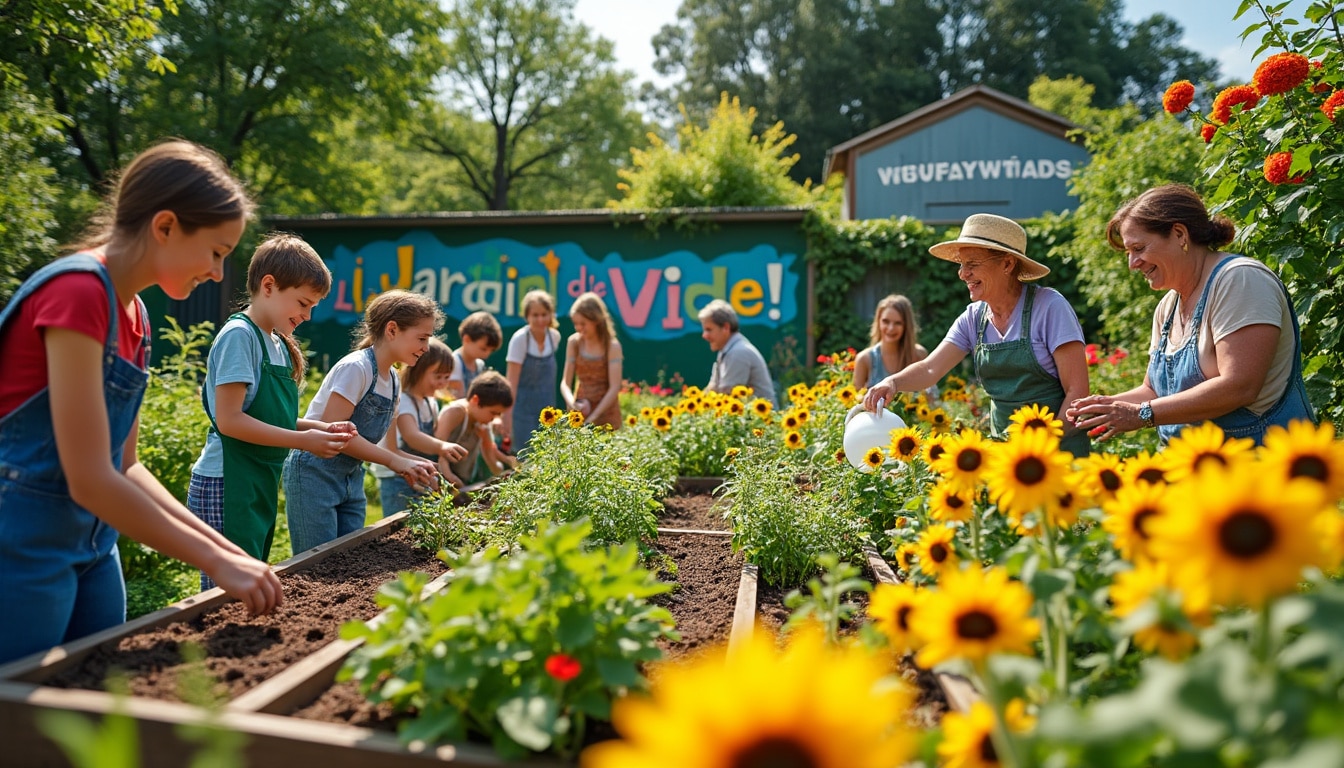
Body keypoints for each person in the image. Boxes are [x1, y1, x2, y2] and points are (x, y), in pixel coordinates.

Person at [0, 140, 282, 664]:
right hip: (22, 539)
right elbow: (88, 476)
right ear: (166, 226)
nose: (219, 273)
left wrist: (226, 552)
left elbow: (125, 467)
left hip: (94, 545)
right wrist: (214, 564)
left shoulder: (137, 316)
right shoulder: (78, 291)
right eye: (217, 252)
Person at [1065, 184, 1315, 445]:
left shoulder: (1240, 279)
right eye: (1129, 253)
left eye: (1138, 248)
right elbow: (1153, 391)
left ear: (1179, 234)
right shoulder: (1168, 306)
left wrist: (1141, 415)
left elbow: (1240, 386)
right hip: (1195, 471)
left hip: (1260, 466)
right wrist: (1107, 408)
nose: (1132, 263)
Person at [187, 234, 355, 589]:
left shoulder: (276, 342)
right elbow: (231, 421)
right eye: (303, 303)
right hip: (226, 481)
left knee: (248, 581)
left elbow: (267, 419)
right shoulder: (240, 335)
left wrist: (319, 429)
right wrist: (303, 441)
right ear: (268, 286)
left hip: (257, 479)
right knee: (226, 592)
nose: (307, 316)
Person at [863, 213, 1091, 456]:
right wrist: (893, 382)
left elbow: (1078, 393)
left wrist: (1044, 446)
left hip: (1059, 456)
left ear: (1007, 264)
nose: (962, 274)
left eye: (972, 264)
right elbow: (930, 369)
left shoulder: (1050, 307)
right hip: (1005, 460)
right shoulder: (974, 318)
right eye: (961, 265)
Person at [283, 289, 440, 553]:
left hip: (351, 476)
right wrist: (394, 462)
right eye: (422, 338)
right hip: (314, 475)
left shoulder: (392, 381)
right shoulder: (357, 368)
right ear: (392, 330)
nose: (426, 347)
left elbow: (382, 446)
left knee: (349, 558)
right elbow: (334, 435)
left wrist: (410, 462)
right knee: (316, 565)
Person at [372, 338, 468, 516]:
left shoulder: (429, 401)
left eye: (446, 377)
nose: (442, 383)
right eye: (437, 376)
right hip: (397, 477)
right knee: (400, 526)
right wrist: (442, 446)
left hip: (418, 472)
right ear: (417, 370)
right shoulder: (405, 400)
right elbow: (412, 436)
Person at [501, 289, 560, 454]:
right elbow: (511, 382)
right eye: (535, 315)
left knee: (548, 457)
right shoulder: (520, 339)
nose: (540, 319)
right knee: (525, 457)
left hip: (548, 408)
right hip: (522, 411)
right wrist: (507, 416)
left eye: (544, 314)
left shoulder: (554, 337)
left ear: (550, 315)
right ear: (527, 316)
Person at [435, 371, 515, 488]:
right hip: (439, 479)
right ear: (475, 400)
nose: (493, 419)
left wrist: (488, 445)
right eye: (493, 413)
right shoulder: (455, 412)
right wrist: (455, 485)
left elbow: (496, 469)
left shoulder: (483, 424)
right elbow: (437, 453)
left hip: (461, 481)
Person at [560, 292, 624, 430]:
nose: (578, 328)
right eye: (576, 323)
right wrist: (572, 404)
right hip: (581, 412)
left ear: (596, 320)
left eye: (583, 323)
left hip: (607, 415)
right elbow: (565, 383)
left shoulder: (612, 346)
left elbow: (614, 387)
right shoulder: (573, 343)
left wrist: (593, 417)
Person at [699, 299, 776, 405]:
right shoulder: (727, 350)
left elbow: (727, 397)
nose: (704, 335)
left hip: (762, 420)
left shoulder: (738, 352)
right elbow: (712, 390)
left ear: (726, 327)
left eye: (709, 329)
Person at [853, 294, 930, 391]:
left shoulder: (919, 355)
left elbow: (930, 398)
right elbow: (856, 402)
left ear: (906, 326)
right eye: (886, 321)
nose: (891, 328)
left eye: (898, 323)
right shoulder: (865, 359)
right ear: (878, 321)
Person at [446, 310, 502, 399]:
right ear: (467, 339)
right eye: (483, 349)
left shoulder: (480, 365)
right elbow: (456, 397)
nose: (487, 354)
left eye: (491, 351)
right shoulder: (454, 362)